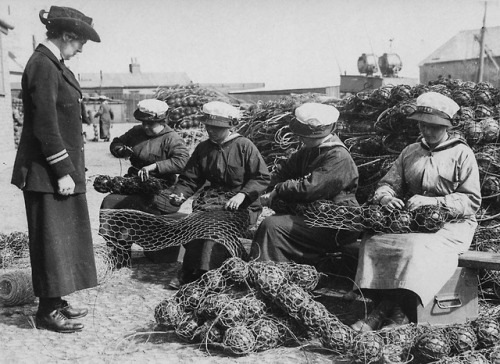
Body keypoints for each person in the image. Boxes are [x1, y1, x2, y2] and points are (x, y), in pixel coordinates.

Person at [351, 92, 481, 332]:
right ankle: (384, 306)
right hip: (411, 222)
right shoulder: (410, 151)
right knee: (374, 241)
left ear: (447, 127)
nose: (428, 132)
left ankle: (400, 312)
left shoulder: (462, 153)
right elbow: (388, 183)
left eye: (435, 127)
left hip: (452, 225)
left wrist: (439, 202)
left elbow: (471, 200)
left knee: (416, 248)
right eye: (423, 125)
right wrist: (386, 197)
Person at [11, 5, 101, 333]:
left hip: (56, 172)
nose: (79, 51)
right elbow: (46, 125)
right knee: (50, 241)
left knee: (61, 240)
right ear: (66, 36)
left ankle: (56, 301)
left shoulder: (53, 63)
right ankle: (47, 311)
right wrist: (63, 169)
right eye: (79, 44)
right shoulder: (43, 65)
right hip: (46, 173)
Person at [168, 101, 270, 288]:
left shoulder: (244, 146)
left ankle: (208, 274)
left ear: (229, 127)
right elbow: (190, 179)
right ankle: (189, 270)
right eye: (208, 127)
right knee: (192, 223)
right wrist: (180, 194)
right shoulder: (203, 148)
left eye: (216, 128)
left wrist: (242, 195)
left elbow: (262, 177)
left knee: (212, 226)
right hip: (211, 202)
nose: (211, 131)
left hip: (243, 206)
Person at [249, 103, 360, 267]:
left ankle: (268, 271)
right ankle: (273, 267)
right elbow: (283, 171)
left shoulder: (338, 156)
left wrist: (278, 190)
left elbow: (310, 188)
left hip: (338, 222)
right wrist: (257, 189)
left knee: (273, 225)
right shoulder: (310, 149)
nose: (300, 138)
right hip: (317, 215)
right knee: (275, 222)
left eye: (304, 135)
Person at [101, 98, 190, 267]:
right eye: (144, 123)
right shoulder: (136, 132)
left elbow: (182, 162)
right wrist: (119, 149)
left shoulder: (171, 138)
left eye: (151, 123)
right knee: (110, 201)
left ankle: (142, 243)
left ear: (161, 121)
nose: (146, 127)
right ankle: (119, 251)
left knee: (131, 204)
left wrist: (156, 166)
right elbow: (117, 142)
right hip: (134, 183)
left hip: (161, 189)